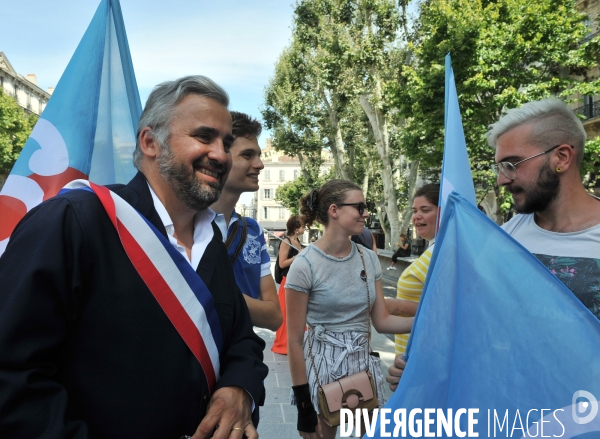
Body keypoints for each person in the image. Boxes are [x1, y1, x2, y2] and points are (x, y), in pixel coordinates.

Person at [0, 76, 268, 439]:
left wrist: (240, 389)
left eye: (226, 143)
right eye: (204, 137)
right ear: (150, 142)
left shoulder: (212, 244)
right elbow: (13, 376)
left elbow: (242, 340)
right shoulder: (73, 221)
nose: (220, 154)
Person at [386, 98, 600, 391]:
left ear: (561, 157)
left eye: (512, 165)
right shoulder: (504, 238)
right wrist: (423, 365)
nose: (501, 180)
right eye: (499, 167)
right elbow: (472, 325)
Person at [286, 179, 413, 439]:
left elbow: (382, 321)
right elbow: (294, 340)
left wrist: (427, 319)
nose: (366, 213)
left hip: (362, 364)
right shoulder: (304, 265)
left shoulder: (368, 258)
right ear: (334, 210)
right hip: (322, 368)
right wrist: (303, 405)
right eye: (360, 207)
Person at [211, 111, 282, 331]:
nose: (260, 164)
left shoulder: (252, 230)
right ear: (220, 157)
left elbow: (274, 317)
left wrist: (210, 291)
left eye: (259, 155)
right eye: (247, 155)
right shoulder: (184, 223)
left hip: (239, 357)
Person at [386, 184, 439, 356]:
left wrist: (397, 306)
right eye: (415, 211)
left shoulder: (446, 253)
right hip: (410, 354)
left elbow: (452, 312)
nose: (417, 217)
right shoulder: (435, 249)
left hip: (424, 355)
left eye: (425, 210)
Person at [271, 214, 305, 355]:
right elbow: (282, 263)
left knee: (298, 314)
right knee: (286, 313)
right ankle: (283, 344)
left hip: (299, 281)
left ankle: (297, 343)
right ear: (296, 228)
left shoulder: (297, 241)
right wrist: (297, 257)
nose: (305, 228)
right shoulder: (286, 241)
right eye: (303, 225)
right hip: (288, 282)